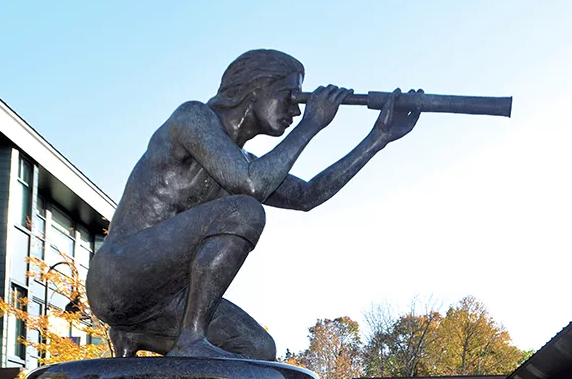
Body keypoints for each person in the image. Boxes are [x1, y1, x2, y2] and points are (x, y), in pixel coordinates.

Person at [86, 49, 421, 359]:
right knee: (245, 209)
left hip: (164, 302)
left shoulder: (242, 161)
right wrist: (310, 125)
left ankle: (138, 333)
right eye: (290, 97)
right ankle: (190, 339)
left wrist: (377, 139)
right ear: (256, 88)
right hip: (119, 276)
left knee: (257, 348)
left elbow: (306, 197)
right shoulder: (193, 118)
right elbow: (250, 184)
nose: (295, 110)